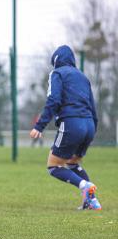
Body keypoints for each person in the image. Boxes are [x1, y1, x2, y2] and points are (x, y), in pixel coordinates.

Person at [30, 45, 101, 210]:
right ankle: (91, 201)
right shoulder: (83, 77)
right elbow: (93, 107)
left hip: (71, 123)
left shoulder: (57, 73)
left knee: (54, 166)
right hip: (89, 124)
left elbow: (54, 100)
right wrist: (92, 129)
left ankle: (84, 185)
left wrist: (39, 126)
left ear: (55, 61)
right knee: (72, 163)